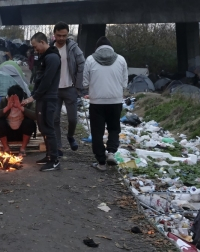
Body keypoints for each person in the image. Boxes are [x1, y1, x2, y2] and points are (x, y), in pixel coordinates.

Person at [82, 36, 128, 171]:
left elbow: (85, 83)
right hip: (115, 101)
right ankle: (112, 152)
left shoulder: (90, 60)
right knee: (114, 128)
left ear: (97, 48)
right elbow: (124, 83)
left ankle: (101, 162)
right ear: (111, 47)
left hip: (97, 102)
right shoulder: (121, 60)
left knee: (97, 132)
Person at [21, 32, 61, 172]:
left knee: (48, 128)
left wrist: (34, 96)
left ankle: (54, 160)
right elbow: (39, 78)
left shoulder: (53, 58)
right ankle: (49, 156)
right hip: (42, 98)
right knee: (43, 128)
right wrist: (34, 94)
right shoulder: (45, 57)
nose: (34, 49)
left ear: (42, 42)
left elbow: (47, 80)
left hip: (48, 98)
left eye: (35, 45)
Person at [52, 22, 86, 156]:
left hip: (70, 88)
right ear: (54, 34)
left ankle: (70, 136)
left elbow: (82, 64)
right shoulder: (50, 49)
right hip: (54, 90)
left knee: (73, 119)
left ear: (67, 35)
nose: (61, 38)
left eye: (64, 35)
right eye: (59, 35)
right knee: (55, 119)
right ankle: (58, 146)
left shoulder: (73, 48)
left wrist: (78, 84)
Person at [0, 85, 36, 157]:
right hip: (8, 134)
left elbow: (36, 116)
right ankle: (6, 148)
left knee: (29, 122)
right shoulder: (4, 101)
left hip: (22, 134)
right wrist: (7, 107)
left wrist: (20, 107)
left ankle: (23, 148)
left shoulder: (28, 102)